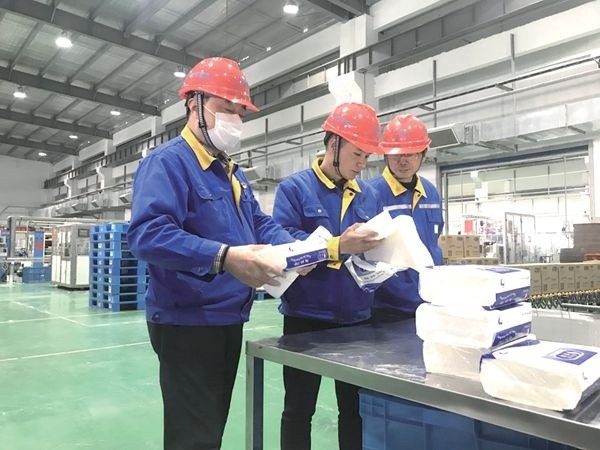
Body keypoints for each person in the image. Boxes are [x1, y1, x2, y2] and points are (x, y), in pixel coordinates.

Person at [127, 57, 302, 450]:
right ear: (195, 103)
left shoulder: (230, 171)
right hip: (186, 320)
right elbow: (148, 234)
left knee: (210, 430)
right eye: (226, 108)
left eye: (240, 112)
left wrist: (296, 251)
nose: (235, 120)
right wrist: (225, 257)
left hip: (226, 316)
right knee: (195, 437)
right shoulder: (167, 163)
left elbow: (258, 222)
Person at [272, 102, 384, 450]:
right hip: (306, 317)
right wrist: (338, 245)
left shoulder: (369, 194)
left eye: (367, 157)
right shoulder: (294, 189)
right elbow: (284, 244)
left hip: (356, 317)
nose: (362, 163)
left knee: (354, 410)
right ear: (333, 144)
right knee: (298, 408)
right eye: (357, 154)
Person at [368, 114, 444, 321]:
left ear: (423, 154)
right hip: (386, 308)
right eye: (396, 155)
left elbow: (433, 241)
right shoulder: (370, 194)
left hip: (429, 300)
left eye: (410, 154)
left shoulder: (430, 192)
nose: (403, 161)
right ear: (385, 155)